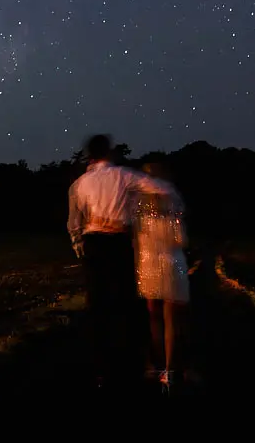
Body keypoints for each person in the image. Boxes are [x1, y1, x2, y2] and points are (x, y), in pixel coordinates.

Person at [67, 133, 172, 389]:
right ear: (110, 152)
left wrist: (79, 246)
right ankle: (132, 361)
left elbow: (73, 221)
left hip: (94, 243)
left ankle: (102, 368)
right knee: (125, 300)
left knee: (98, 304)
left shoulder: (80, 183)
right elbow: (159, 188)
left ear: (89, 154)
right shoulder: (123, 175)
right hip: (117, 242)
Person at [135, 162, 191, 391]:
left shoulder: (140, 210)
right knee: (171, 320)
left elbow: (136, 240)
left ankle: (155, 365)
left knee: (153, 318)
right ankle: (169, 369)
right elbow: (181, 240)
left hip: (148, 264)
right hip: (170, 263)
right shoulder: (172, 209)